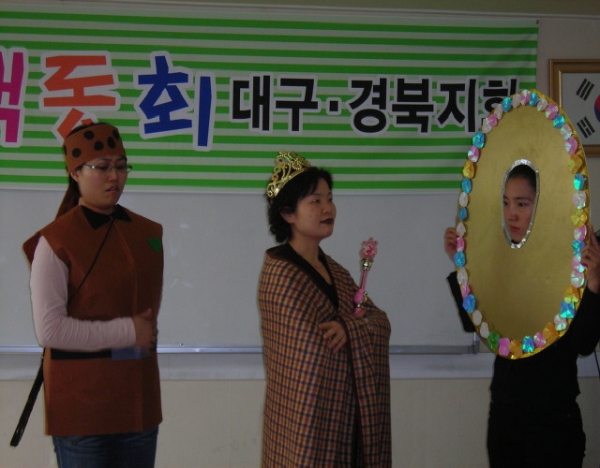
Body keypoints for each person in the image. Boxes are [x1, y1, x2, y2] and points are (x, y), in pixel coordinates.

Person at [22, 122, 163, 467]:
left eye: (121, 166)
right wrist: (129, 331)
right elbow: (50, 330)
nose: (114, 177)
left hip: (137, 399)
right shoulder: (55, 241)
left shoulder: (147, 233)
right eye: (102, 167)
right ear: (75, 173)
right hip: (81, 407)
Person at [444, 165, 600, 467]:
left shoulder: (572, 261)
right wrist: (461, 266)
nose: (511, 214)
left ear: (544, 205)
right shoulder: (503, 258)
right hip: (506, 413)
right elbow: (474, 324)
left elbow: (583, 343)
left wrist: (594, 283)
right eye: (505, 203)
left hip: (554, 416)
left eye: (522, 203)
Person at [258, 150, 392, 467]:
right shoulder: (279, 273)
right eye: (315, 201)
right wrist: (352, 327)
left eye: (329, 199)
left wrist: (349, 328)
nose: (327, 208)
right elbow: (312, 350)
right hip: (304, 423)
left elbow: (380, 321)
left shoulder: (336, 271)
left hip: (349, 423)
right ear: (288, 214)